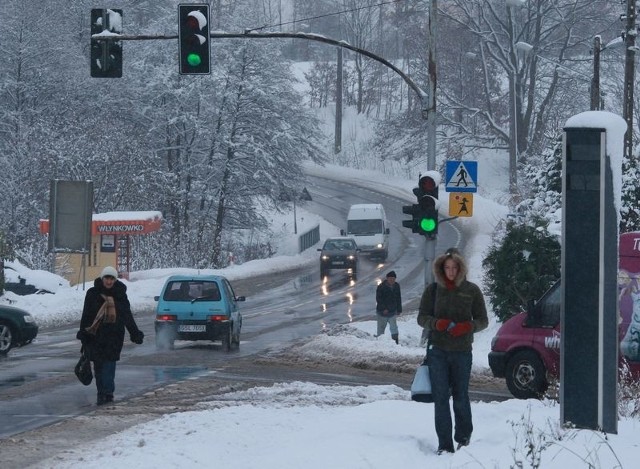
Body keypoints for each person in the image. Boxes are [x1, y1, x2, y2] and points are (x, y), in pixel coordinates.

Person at [417, 248, 488, 455]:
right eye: (447, 267)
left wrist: (467, 327)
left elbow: (483, 320)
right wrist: (437, 323)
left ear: (461, 268)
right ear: (441, 268)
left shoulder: (472, 290)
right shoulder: (433, 290)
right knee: (440, 399)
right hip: (437, 351)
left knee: (460, 396)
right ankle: (444, 445)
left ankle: (463, 439)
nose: (450, 271)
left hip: (462, 351)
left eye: (454, 267)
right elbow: (422, 317)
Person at [76, 266, 144, 405]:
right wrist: (83, 333)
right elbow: (86, 315)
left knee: (109, 366)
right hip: (95, 337)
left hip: (114, 337)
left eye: (112, 278)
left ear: (115, 279)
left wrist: (135, 334)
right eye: (107, 278)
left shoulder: (120, 294)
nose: (109, 281)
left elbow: (127, 316)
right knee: (99, 368)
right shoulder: (92, 293)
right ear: (102, 278)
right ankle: (101, 392)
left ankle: (108, 393)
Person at [375, 270, 402, 344]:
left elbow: (398, 298)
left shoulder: (396, 286)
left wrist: (399, 309)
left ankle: (396, 342)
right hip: (382, 312)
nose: (392, 280)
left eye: (393, 279)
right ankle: (379, 343)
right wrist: (384, 308)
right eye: (390, 278)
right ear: (387, 278)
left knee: (394, 328)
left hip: (392, 311)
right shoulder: (381, 287)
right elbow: (379, 299)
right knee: (381, 329)